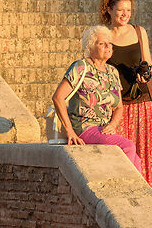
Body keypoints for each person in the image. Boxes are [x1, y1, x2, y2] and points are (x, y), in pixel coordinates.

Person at [52, 26, 145, 175]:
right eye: (102, 44)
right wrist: (70, 131)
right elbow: (58, 97)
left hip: (104, 129)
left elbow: (119, 107)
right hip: (85, 127)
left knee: (136, 159)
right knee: (127, 146)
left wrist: (113, 124)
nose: (108, 47)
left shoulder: (112, 72)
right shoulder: (81, 66)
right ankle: (126, 186)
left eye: (110, 43)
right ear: (90, 47)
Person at [98, 0, 152, 192]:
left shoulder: (139, 32)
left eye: (128, 10)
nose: (125, 14)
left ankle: (147, 194)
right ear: (109, 9)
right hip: (116, 105)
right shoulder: (102, 35)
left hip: (141, 102)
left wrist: (146, 73)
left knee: (143, 150)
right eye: (120, 10)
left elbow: (149, 64)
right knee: (119, 151)